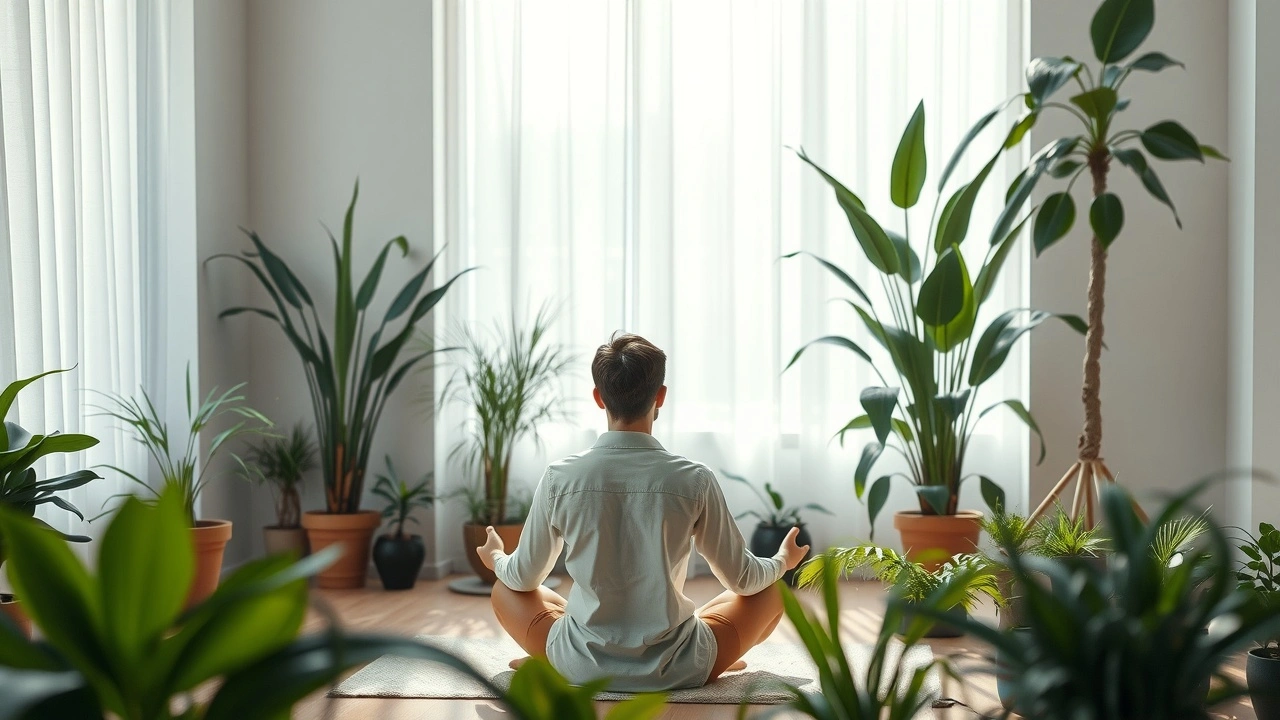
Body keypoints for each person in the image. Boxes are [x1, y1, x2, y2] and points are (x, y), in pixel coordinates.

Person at [477, 332, 809, 692]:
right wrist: (782, 562)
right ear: (660, 395)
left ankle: (552, 661)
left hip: (582, 664)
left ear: (598, 398)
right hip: (677, 666)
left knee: (506, 589)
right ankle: (718, 660)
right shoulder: (694, 478)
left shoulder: (560, 477)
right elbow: (743, 579)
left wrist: (495, 555)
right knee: (770, 591)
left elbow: (523, 577)